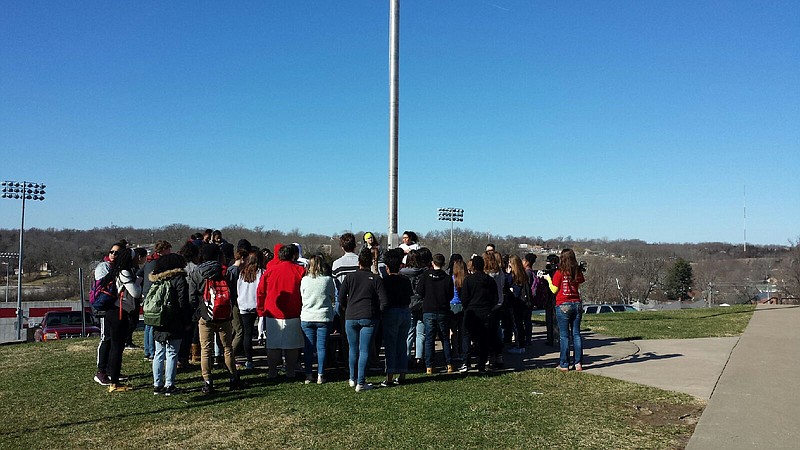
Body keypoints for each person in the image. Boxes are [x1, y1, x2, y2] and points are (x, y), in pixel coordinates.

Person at [188, 243, 245, 394]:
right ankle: (233, 378)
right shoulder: (226, 272)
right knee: (227, 348)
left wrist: (199, 310)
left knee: (206, 349)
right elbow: (233, 294)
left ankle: (208, 382)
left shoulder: (196, 272)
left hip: (206, 315)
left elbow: (192, 297)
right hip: (224, 315)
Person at [339, 248, 387, 392]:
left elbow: (341, 298)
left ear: (358, 262)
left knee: (353, 349)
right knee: (364, 349)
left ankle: (352, 378)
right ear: (371, 262)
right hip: (369, 316)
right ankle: (361, 381)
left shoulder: (349, 278)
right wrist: (378, 313)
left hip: (351, 316)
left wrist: (347, 308)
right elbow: (384, 301)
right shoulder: (375, 279)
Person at [256, 244, 306, 380]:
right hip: (294, 311)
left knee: (273, 345)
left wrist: (260, 310)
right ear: (293, 256)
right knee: (292, 345)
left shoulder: (270, 271)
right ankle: (290, 371)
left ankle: (272, 371)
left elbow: (260, 292)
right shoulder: (300, 270)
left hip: (273, 311)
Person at [149, 253, 191, 396]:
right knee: (172, 353)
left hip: (158, 319)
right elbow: (183, 302)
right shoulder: (179, 279)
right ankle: (169, 385)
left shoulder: (157, 279)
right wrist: (186, 321)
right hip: (175, 320)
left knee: (158, 353)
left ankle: (157, 384)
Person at [104, 247, 142, 392]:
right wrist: (138, 281)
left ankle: (113, 377)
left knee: (116, 347)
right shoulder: (125, 272)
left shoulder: (117, 270)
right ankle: (114, 382)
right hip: (118, 313)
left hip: (114, 312)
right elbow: (135, 293)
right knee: (117, 348)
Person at [544, 248, 586, 372]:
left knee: (564, 336)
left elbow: (554, 290)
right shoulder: (577, 271)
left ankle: (564, 363)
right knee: (576, 334)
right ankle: (578, 363)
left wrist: (548, 280)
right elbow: (579, 283)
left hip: (563, 304)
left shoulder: (559, 272)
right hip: (576, 303)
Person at [299, 254, 335, 384]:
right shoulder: (328, 280)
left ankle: (308, 374)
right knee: (322, 347)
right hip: (323, 316)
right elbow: (332, 297)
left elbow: (302, 295)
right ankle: (321, 374)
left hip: (307, 316)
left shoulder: (304, 280)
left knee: (308, 347)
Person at [417, 253, 455, 374]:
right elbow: (451, 295)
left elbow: (419, 291)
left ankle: (429, 366)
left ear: (433, 263)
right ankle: (449, 364)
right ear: (443, 264)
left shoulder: (426, 276)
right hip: (443, 310)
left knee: (429, 339)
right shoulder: (447, 277)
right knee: (445, 338)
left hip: (428, 310)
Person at [460, 255, 498, 373]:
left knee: (466, 336)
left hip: (471, 311)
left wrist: (467, 307)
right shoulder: (490, 280)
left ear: (474, 267)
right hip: (486, 311)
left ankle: (466, 362)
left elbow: (464, 298)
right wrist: (489, 307)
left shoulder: (468, 280)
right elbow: (495, 298)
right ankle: (482, 364)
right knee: (484, 339)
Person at [380, 248, 412, 386]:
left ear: (387, 267)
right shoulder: (405, 280)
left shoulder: (385, 281)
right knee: (402, 344)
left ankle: (390, 377)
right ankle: (402, 373)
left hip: (391, 312)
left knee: (390, 346)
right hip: (405, 312)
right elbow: (410, 297)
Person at [93, 241, 123, 386]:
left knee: (112, 340)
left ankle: (112, 371)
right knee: (105, 338)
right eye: (112, 252)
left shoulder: (117, 267)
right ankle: (101, 371)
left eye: (117, 253)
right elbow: (104, 286)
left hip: (113, 307)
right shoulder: (103, 267)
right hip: (104, 305)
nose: (113, 255)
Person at [140, 240, 173, 363]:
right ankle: (152, 351)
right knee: (153, 322)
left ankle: (148, 351)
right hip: (154, 293)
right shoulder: (159, 262)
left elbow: (140, 274)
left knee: (148, 323)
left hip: (147, 292)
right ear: (163, 250)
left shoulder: (149, 261)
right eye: (168, 249)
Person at [236, 250, 263, 370]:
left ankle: (249, 360)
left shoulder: (242, 273)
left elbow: (238, 289)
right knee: (257, 330)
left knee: (247, 333)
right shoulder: (261, 272)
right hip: (256, 304)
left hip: (243, 305)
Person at [506, 255, 531, 353]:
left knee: (516, 325)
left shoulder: (513, 275)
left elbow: (509, 285)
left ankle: (519, 345)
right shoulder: (523, 274)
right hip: (522, 302)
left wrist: (508, 274)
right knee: (520, 324)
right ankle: (521, 344)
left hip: (515, 302)